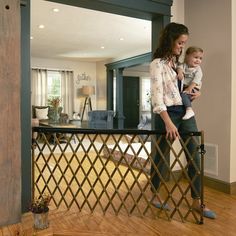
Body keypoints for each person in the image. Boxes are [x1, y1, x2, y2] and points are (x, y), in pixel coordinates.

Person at [150, 22, 216, 219]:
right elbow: (156, 95)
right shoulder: (157, 64)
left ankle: (197, 201)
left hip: (186, 113)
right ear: (170, 40)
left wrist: (197, 92)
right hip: (167, 113)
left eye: (184, 43)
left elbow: (185, 87)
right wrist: (168, 121)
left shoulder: (178, 64)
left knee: (195, 155)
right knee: (162, 156)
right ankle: (154, 194)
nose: (182, 47)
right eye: (180, 43)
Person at [177, 47, 204, 120]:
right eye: (195, 57)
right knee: (183, 97)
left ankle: (189, 110)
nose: (198, 60)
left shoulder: (198, 69)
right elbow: (179, 67)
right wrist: (180, 72)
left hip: (194, 87)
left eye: (200, 58)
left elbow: (196, 80)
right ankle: (187, 108)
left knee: (184, 95)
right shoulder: (184, 65)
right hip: (186, 87)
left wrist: (190, 88)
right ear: (187, 56)